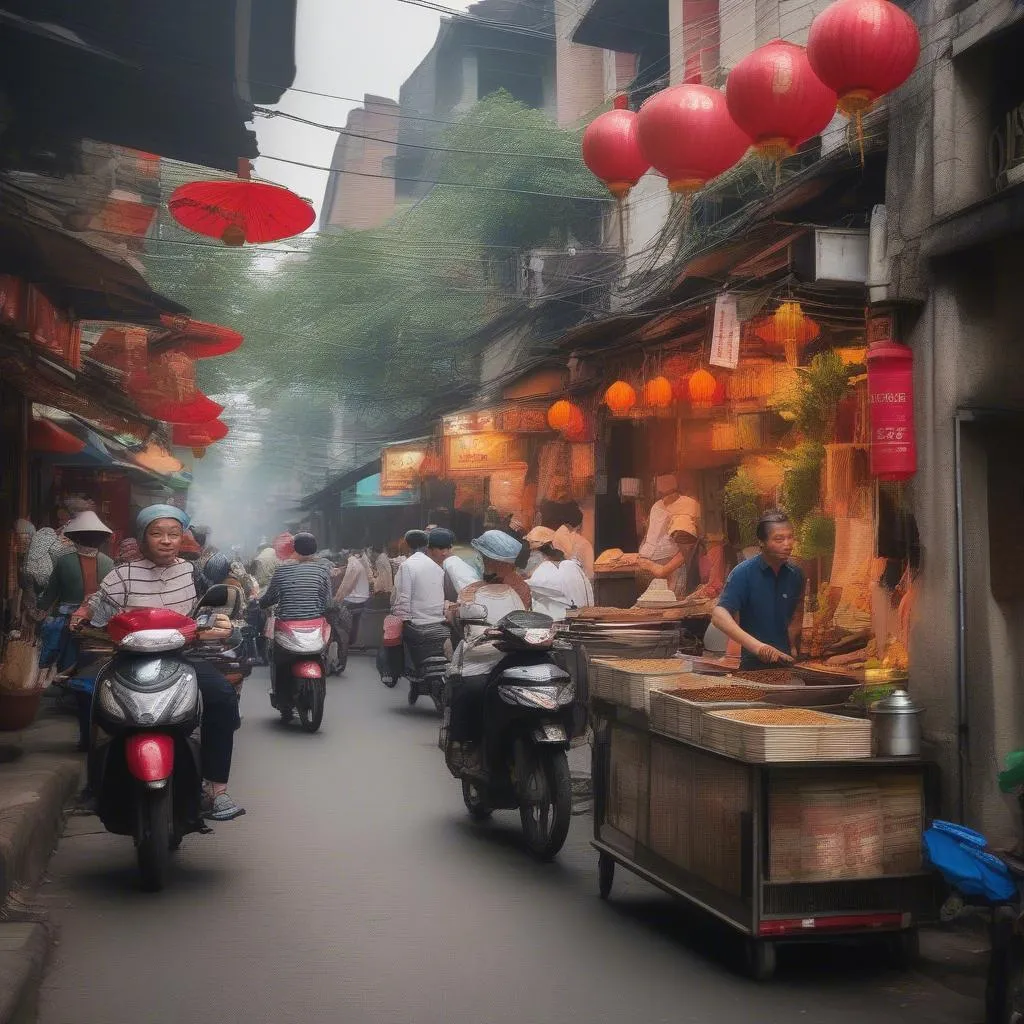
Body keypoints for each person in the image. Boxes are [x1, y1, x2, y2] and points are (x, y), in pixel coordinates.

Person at [95, 505, 244, 821]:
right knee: (93, 701)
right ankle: (96, 783)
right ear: (142, 537)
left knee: (222, 697)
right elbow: (96, 619)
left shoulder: (194, 575)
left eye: (173, 534)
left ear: (182, 539)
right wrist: (83, 625)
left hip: (183, 660)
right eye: (157, 533)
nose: (166, 541)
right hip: (128, 662)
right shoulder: (120, 576)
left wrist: (227, 628)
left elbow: (217, 617)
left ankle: (217, 789)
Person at [38, 511, 115, 750]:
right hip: (97, 622)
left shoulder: (63, 562)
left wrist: (38, 612)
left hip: (68, 618)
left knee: (69, 656)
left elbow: (50, 594)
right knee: (92, 660)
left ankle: (72, 697)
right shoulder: (109, 563)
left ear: (76, 537)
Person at [711, 510, 805, 668]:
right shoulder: (744, 573)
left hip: (787, 664)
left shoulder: (796, 575)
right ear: (762, 542)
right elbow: (718, 615)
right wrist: (759, 648)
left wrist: (794, 646)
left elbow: (796, 614)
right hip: (753, 666)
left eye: (790, 537)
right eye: (779, 539)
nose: (787, 544)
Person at [259, 532, 332, 699]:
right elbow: (328, 602)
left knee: (280, 660)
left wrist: (259, 604)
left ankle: (282, 697)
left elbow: (268, 598)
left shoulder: (282, 571)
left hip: (288, 627)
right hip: (316, 626)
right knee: (321, 654)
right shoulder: (322, 571)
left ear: (294, 548)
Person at [334, 547, 371, 645]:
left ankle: (346, 642)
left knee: (337, 616)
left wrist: (337, 598)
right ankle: (351, 641)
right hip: (361, 598)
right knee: (355, 621)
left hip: (355, 599)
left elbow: (347, 585)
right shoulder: (357, 562)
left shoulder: (353, 563)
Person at [553, 503, 595, 580]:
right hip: (578, 584)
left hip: (559, 583)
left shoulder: (554, 537)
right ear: (579, 525)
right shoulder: (584, 544)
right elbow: (590, 574)